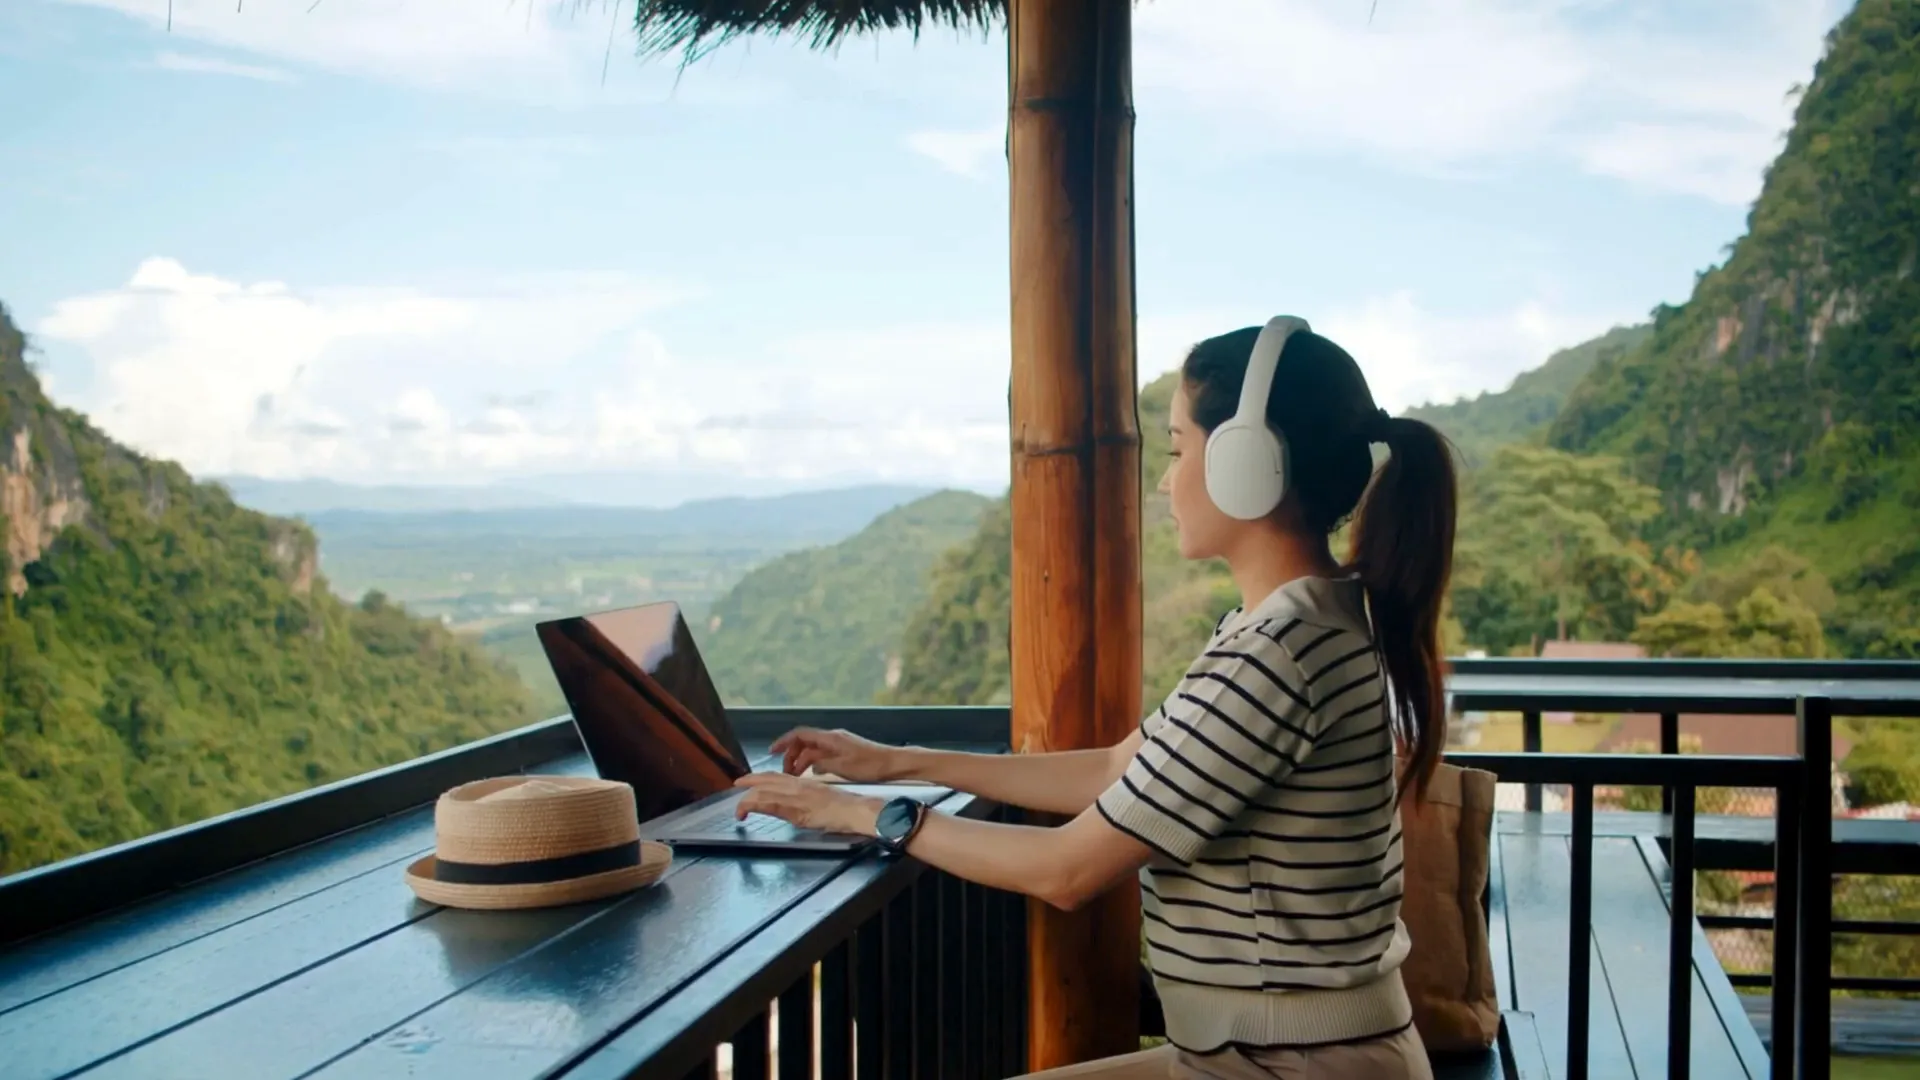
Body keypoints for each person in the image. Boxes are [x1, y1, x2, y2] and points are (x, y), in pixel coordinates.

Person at [735, 318, 1458, 1080]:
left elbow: (1066, 871)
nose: (1163, 480)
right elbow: (1119, 767)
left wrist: (858, 814)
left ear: (1249, 464)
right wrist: (897, 761)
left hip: (1296, 1066)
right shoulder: (1290, 624)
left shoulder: (1280, 655)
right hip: (1276, 1055)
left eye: (1178, 450)